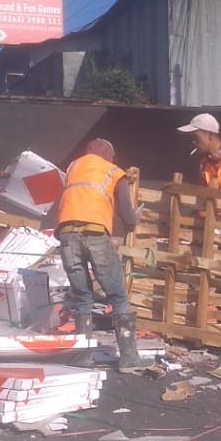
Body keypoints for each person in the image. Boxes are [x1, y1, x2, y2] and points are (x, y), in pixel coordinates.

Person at [54, 138, 151, 373]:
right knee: (118, 297)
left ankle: (82, 358)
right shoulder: (114, 172)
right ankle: (129, 359)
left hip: (67, 237)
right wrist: (134, 221)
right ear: (109, 155)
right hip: (95, 235)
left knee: (83, 299)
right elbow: (127, 217)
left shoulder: (73, 167)